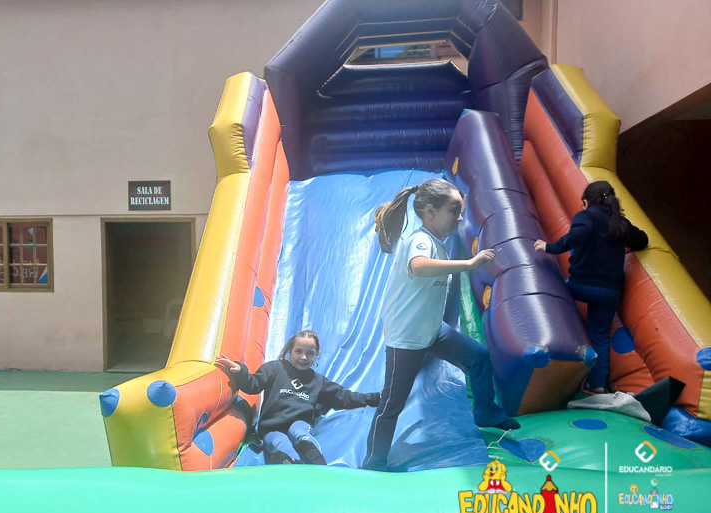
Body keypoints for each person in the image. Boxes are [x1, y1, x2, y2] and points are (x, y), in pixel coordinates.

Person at [364, 179, 520, 472]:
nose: (460, 218)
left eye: (461, 212)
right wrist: (469, 264)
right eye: (454, 211)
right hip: (407, 339)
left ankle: (486, 412)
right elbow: (418, 266)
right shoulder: (420, 240)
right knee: (392, 405)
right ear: (430, 212)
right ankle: (374, 461)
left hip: (432, 329)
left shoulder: (438, 243)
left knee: (479, 358)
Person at [534, 180, 649, 394]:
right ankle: (597, 385)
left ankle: (556, 360)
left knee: (555, 295)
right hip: (610, 292)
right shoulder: (620, 223)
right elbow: (642, 240)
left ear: (586, 202)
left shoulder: (586, 217)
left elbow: (577, 235)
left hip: (581, 285)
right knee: (600, 335)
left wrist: (550, 247)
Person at [216, 330, 380, 465]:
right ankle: (293, 462)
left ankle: (314, 457)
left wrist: (375, 398)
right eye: (298, 351)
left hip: (300, 422)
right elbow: (254, 385)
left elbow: (344, 397)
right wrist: (241, 372)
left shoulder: (318, 381)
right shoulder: (274, 369)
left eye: (310, 353)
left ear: (316, 356)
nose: (304, 357)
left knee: (300, 433)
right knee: (278, 442)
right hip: (272, 427)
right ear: (289, 351)